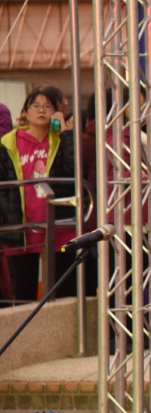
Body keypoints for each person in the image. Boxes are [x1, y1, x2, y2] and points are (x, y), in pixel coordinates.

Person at [0, 88, 77, 301]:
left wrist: (66, 135)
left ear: (55, 112)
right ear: (25, 112)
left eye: (47, 106)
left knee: (65, 291)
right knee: (24, 294)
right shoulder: (9, 142)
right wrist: (7, 215)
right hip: (22, 227)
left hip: (58, 225)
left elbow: (73, 171)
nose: (41, 110)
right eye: (36, 106)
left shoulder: (59, 139)